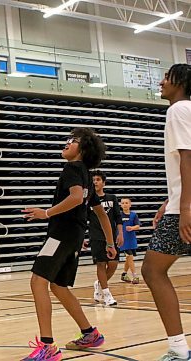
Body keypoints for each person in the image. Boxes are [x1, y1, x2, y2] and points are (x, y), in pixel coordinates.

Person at [21, 128, 116, 361]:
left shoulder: (73, 168)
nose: (66, 143)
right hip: (73, 237)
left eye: (72, 140)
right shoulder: (86, 174)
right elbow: (101, 214)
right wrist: (110, 243)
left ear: (83, 149)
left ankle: (47, 346)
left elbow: (74, 198)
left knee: (38, 282)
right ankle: (90, 333)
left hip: (61, 235)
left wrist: (46, 213)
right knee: (59, 287)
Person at [141, 63, 191, 361]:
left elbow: (188, 157)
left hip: (184, 210)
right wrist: (169, 200)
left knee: (152, 270)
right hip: (178, 204)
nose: (161, 82)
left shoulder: (178, 110)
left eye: (167, 78)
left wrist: (183, 207)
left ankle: (177, 348)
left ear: (180, 82)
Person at [86, 170, 123, 306]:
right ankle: (107, 295)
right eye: (93, 180)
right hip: (96, 236)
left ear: (104, 183)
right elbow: (84, 220)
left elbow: (118, 217)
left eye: (98, 180)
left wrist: (120, 233)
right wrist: (83, 238)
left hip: (111, 237)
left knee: (113, 264)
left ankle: (99, 284)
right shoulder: (89, 200)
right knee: (101, 264)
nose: (95, 182)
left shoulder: (112, 198)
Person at [119, 197, 141, 284]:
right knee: (129, 257)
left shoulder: (133, 215)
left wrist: (132, 228)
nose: (125, 204)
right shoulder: (119, 215)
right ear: (120, 205)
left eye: (126, 203)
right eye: (123, 203)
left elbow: (138, 226)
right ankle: (135, 276)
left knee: (129, 258)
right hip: (123, 241)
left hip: (131, 240)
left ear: (130, 204)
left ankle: (124, 274)